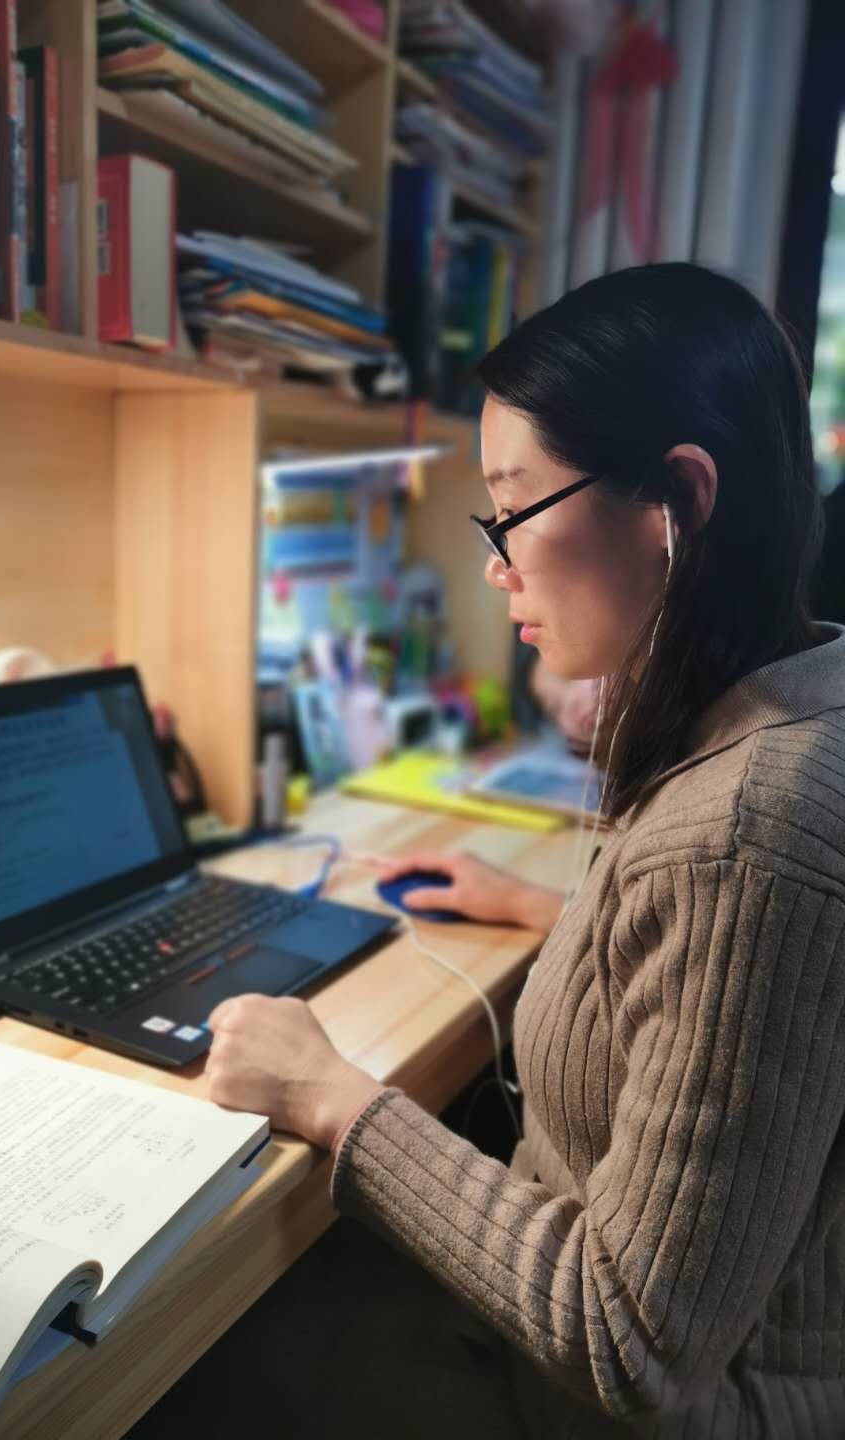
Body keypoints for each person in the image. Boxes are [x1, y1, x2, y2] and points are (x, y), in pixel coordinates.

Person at [195, 263, 845, 1438]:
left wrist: (332, 1096)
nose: (497, 563)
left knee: (177, 1363)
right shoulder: (800, 703)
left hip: (635, 1408)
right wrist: (562, 917)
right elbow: (735, 997)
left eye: (516, 506)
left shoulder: (745, 840)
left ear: (677, 500)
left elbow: (634, 1342)